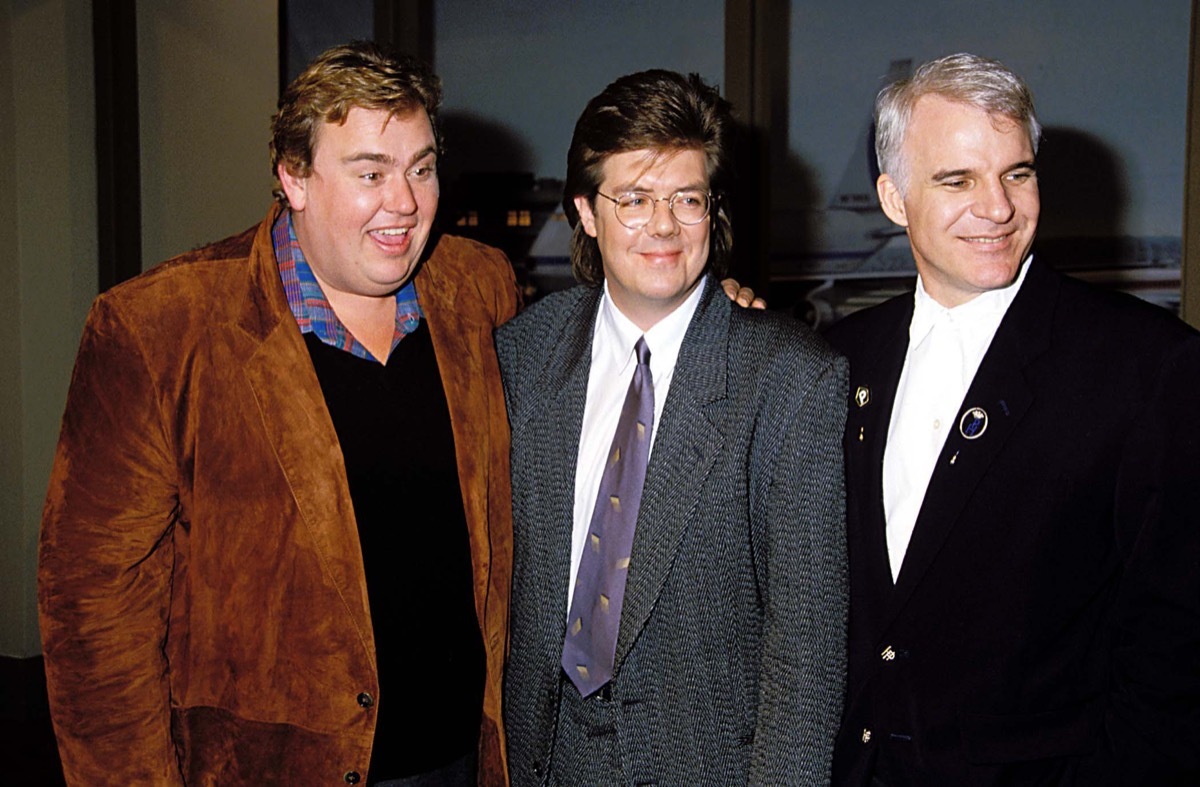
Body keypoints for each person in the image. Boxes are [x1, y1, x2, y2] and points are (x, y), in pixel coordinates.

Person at [38, 42, 518, 786]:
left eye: (421, 168)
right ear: (293, 176)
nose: (405, 202)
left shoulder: (479, 287)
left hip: (462, 760)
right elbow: (93, 609)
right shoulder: (159, 329)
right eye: (370, 173)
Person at [826, 53, 1200, 785]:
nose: (997, 207)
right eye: (957, 179)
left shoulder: (1149, 366)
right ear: (894, 198)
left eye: (1017, 174)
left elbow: (1176, 655)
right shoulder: (836, 360)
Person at [498, 69, 848, 784]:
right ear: (586, 213)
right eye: (633, 199)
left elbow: (806, 660)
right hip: (540, 762)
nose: (663, 226)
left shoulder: (790, 380)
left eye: (687, 199)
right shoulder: (521, 355)